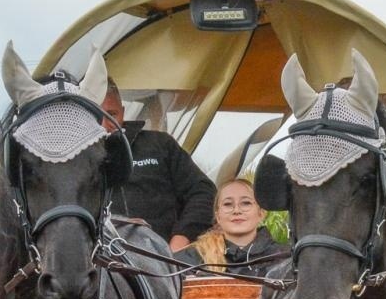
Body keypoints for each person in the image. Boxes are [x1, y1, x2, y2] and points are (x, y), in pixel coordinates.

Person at [101, 79, 216, 252]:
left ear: (123, 112)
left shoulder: (159, 144)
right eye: (96, 117)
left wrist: (181, 238)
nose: (104, 125)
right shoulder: (74, 161)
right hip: (104, 263)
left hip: (165, 260)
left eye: (112, 114)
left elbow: (203, 192)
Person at [177, 178, 286, 277]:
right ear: (218, 216)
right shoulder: (190, 258)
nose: (236, 210)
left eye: (246, 203)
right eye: (228, 204)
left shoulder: (284, 257)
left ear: (261, 213)